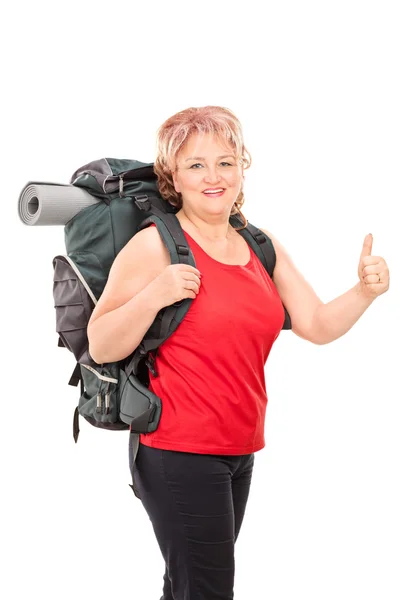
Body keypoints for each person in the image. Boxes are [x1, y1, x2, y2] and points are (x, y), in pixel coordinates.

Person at [87, 106, 390, 600]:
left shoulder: (260, 245)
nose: (213, 177)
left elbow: (314, 324)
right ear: (173, 178)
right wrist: (156, 293)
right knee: (207, 590)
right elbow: (101, 343)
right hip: (177, 450)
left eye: (225, 162)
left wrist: (363, 291)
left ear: (242, 168)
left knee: (189, 587)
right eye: (196, 165)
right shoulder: (155, 247)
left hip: (238, 449)